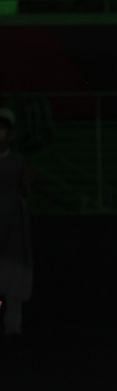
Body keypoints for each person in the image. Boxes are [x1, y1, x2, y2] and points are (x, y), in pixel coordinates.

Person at [0, 107, 33, 343]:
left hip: (13, 231)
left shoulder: (18, 162)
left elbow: (26, 190)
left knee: (13, 281)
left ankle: (13, 328)